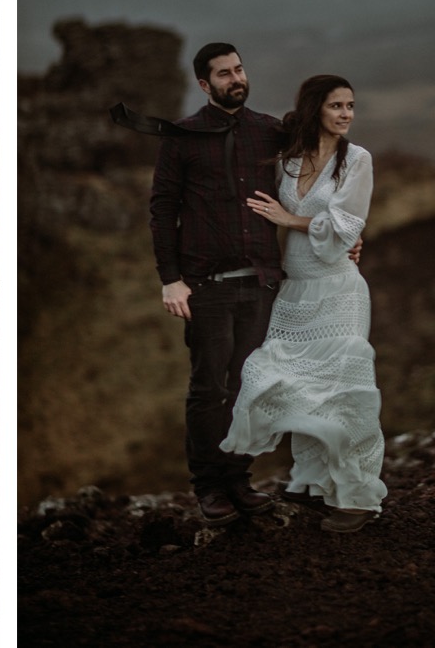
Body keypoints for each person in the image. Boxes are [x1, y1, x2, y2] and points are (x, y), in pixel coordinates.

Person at [221, 75, 385, 533]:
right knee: (286, 381)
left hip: (339, 290)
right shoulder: (290, 160)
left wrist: (289, 218)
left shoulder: (357, 159)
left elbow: (343, 228)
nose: (347, 114)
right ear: (316, 109)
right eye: (336, 105)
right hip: (294, 290)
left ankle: (355, 497)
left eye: (351, 105)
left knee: (344, 396)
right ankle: (315, 485)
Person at [148, 42, 287, 526]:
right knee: (209, 388)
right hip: (206, 285)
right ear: (205, 85)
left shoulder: (269, 131)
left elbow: (311, 180)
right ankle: (209, 487)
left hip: (261, 280)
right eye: (224, 74)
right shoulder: (183, 137)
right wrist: (171, 279)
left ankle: (239, 479)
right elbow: (163, 207)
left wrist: (341, 237)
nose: (237, 78)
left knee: (247, 386)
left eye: (240, 69)